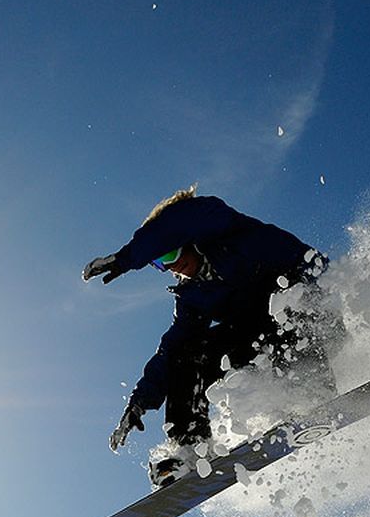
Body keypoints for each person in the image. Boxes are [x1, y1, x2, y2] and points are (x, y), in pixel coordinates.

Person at [83, 187, 345, 486]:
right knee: (187, 351)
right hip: (265, 339)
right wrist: (140, 401)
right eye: (159, 263)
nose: (171, 265)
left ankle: (314, 392)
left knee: (288, 301)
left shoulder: (227, 233)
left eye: (169, 252)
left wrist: (127, 258)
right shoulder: (193, 295)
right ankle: (190, 448)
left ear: (187, 239)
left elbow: (183, 220)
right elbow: (171, 349)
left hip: (314, 311)